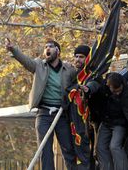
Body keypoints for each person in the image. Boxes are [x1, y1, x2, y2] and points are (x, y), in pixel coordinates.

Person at [6, 39, 78, 170]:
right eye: (45, 47)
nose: (47, 49)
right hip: (44, 114)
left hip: (61, 114)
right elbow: (26, 61)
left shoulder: (68, 69)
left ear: (58, 51)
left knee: (68, 148)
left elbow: (79, 79)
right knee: (45, 150)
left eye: (51, 46)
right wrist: (13, 50)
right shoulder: (39, 66)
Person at [87, 72, 128, 170]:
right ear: (108, 85)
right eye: (115, 91)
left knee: (114, 146)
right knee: (100, 147)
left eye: (119, 90)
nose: (118, 93)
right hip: (106, 122)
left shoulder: (127, 93)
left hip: (119, 124)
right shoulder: (103, 87)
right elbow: (94, 90)